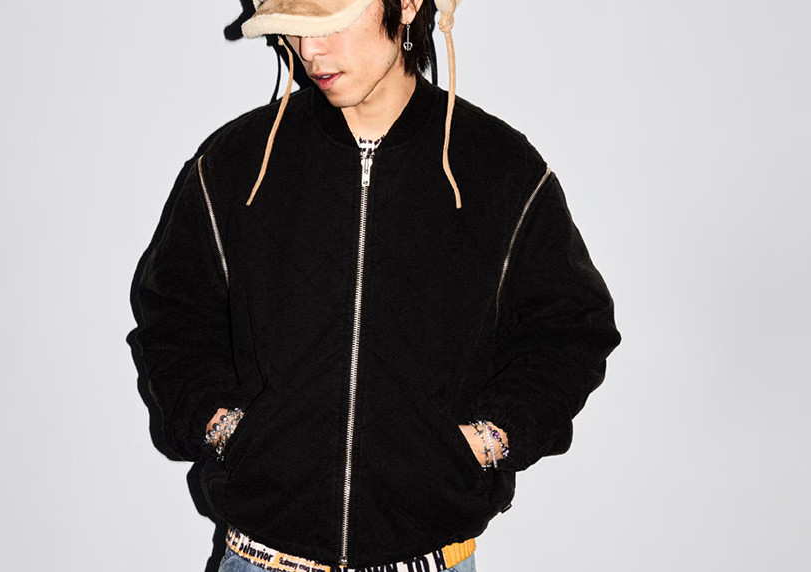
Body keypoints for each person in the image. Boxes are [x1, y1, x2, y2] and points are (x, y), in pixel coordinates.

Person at [128, 1, 621, 571]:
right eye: (296, 27)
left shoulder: (498, 169)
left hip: (429, 557)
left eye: (330, 21)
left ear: (406, 4)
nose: (309, 50)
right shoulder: (238, 163)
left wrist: (491, 439)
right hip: (262, 557)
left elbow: (570, 330)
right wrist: (222, 429)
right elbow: (174, 318)